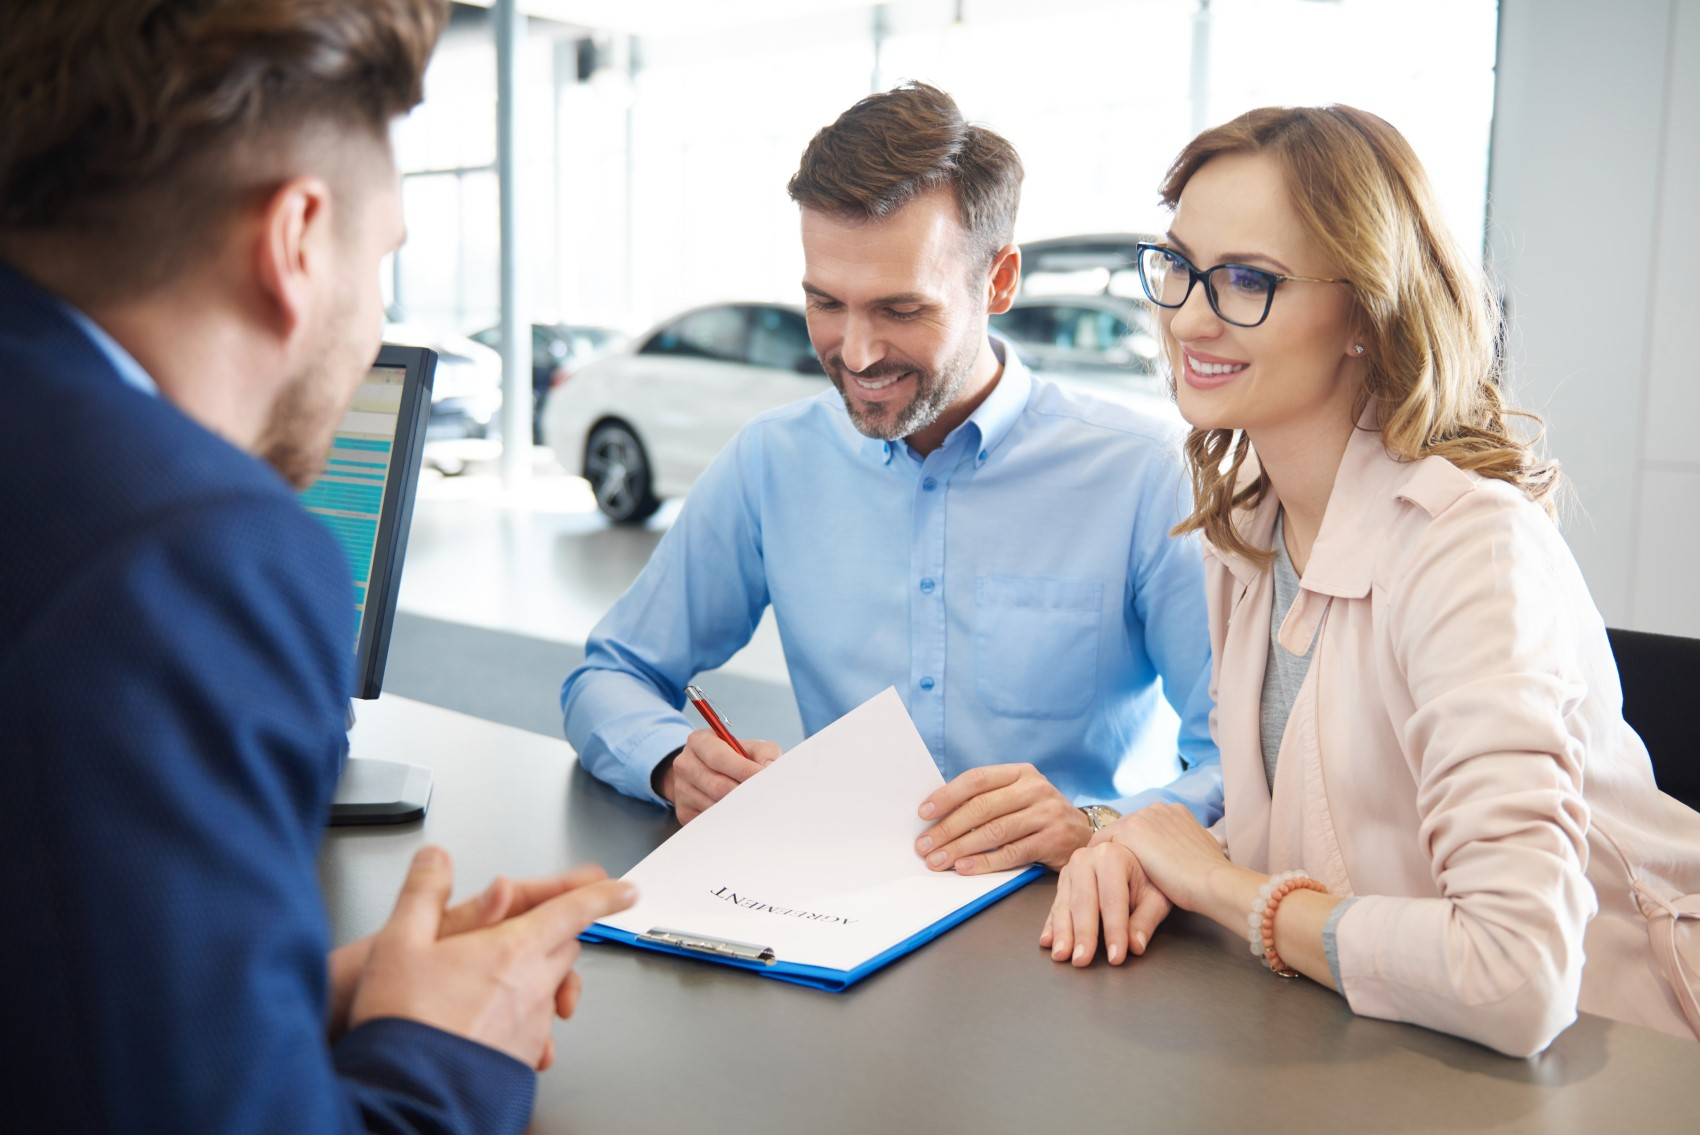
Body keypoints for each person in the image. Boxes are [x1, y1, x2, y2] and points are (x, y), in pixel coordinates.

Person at [0, 3, 635, 1132]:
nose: (378, 314)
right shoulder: (189, 551)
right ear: (296, 241)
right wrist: (445, 1049)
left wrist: (281, 1004)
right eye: (382, 256)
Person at [1041, 104, 1700, 1057]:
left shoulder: (1470, 550)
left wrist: (1219, 888)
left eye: (1246, 281)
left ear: (1366, 310)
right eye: (1179, 265)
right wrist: (1142, 849)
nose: (1188, 314)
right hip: (1386, 1055)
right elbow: (1324, 837)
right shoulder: (1251, 532)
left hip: (1621, 1065)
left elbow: (1517, 971)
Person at [563, 81, 1219, 884]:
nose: (859, 352)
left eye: (901, 309)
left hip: (1066, 921)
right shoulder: (773, 461)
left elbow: (1239, 765)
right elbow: (609, 674)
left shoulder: (1141, 474)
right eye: (825, 303)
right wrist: (670, 760)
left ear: (1000, 280)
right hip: (839, 911)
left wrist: (1095, 827)